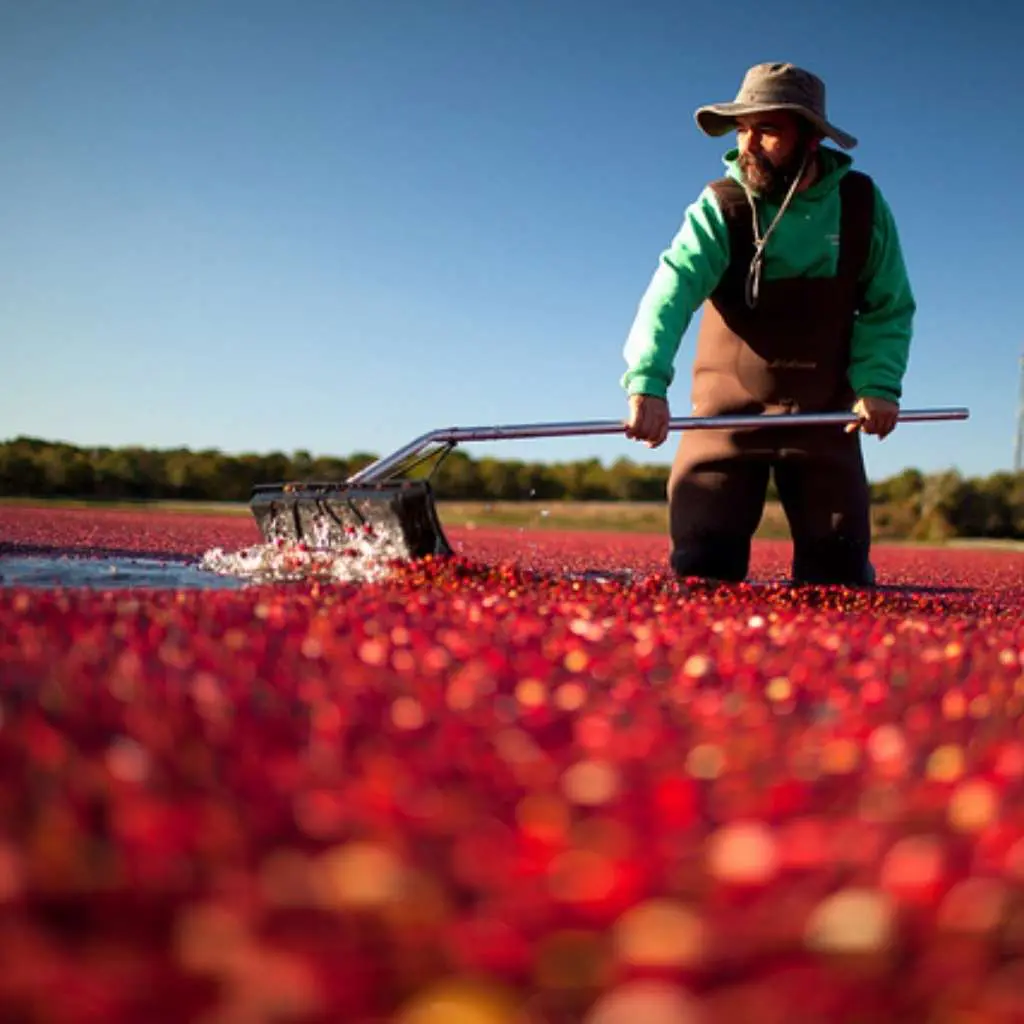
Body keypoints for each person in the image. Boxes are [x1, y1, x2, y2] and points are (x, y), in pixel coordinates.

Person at [621, 62, 916, 586]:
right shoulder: (721, 205)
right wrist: (647, 381)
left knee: (838, 574)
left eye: (769, 129)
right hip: (725, 421)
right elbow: (670, 290)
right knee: (702, 568)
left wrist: (879, 385)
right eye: (743, 128)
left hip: (827, 420)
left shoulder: (861, 207)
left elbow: (887, 306)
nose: (749, 144)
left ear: (810, 139)